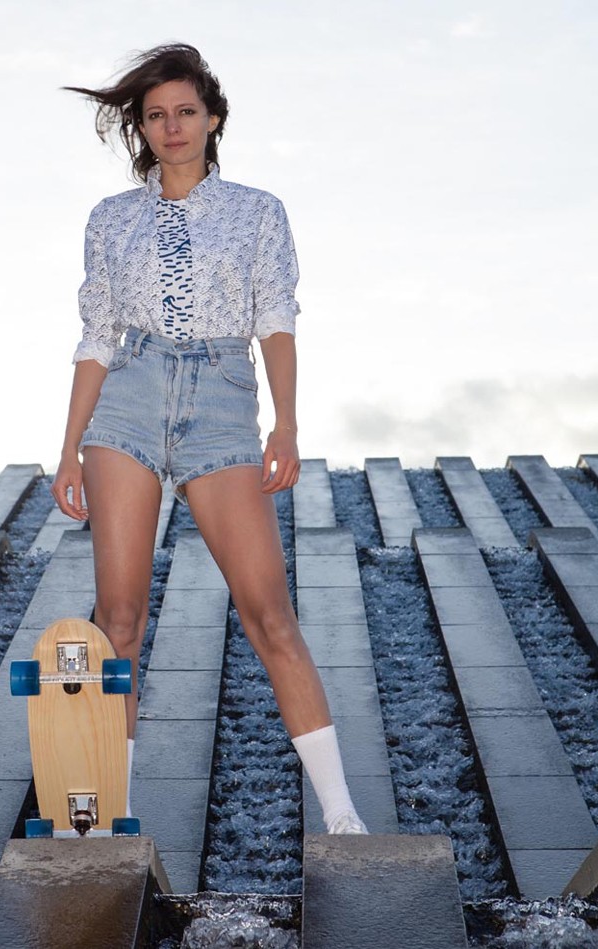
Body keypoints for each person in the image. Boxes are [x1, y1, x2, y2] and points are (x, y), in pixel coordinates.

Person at [51, 43, 367, 835]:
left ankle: (342, 814)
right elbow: (97, 335)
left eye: (186, 111)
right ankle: (112, 817)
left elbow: (276, 320)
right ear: (142, 128)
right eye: (157, 115)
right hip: (128, 396)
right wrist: (68, 447)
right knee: (119, 618)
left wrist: (285, 421)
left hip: (223, 401)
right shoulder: (110, 219)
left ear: (213, 118)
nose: (173, 126)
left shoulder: (258, 211)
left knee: (269, 614)